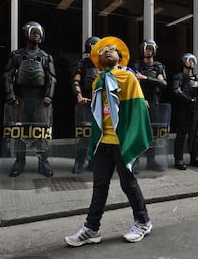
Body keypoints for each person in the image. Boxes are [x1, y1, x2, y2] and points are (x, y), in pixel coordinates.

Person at [65, 36, 153, 246]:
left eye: (112, 49)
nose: (107, 51)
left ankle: (143, 221)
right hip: (103, 142)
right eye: (103, 50)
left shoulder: (128, 78)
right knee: (99, 186)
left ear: (120, 57)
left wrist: (131, 140)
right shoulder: (97, 81)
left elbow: (138, 111)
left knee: (128, 184)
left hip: (121, 141)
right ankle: (92, 229)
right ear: (97, 59)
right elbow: (98, 115)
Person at [3, 21, 56, 177]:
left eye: (38, 32)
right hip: (20, 99)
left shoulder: (45, 57)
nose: (36, 35)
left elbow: (51, 78)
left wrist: (48, 95)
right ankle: (19, 161)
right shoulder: (17, 55)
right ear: (26, 33)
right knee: (20, 131)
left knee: (42, 132)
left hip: (40, 100)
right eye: (33, 32)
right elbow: (7, 75)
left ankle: (43, 162)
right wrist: (10, 95)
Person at [131, 39, 167, 172]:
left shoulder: (158, 66)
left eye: (151, 49)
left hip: (154, 100)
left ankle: (151, 162)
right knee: (138, 132)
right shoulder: (137, 65)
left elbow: (163, 84)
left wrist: (145, 78)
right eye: (147, 48)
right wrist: (142, 98)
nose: (149, 51)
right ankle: (135, 162)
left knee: (153, 133)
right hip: (140, 99)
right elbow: (134, 82)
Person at [171, 53, 198, 170]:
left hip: (196, 110)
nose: (191, 62)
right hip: (183, 109)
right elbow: (176, 91)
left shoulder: (197, 77)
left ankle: (194, 157)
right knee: (181, 134)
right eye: (189, 60)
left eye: (193, 60)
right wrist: (189, 100)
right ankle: (179, 159)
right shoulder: (179, 77)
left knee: (195, 134)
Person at [72, 36, 100, 174]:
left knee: (98, 135)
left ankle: (93, 162)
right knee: (84, 135)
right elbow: (76, 81)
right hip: (85, 103)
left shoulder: (104, 65)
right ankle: (79, 161)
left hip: (100, 105)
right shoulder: (82, 64)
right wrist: (79, 96)